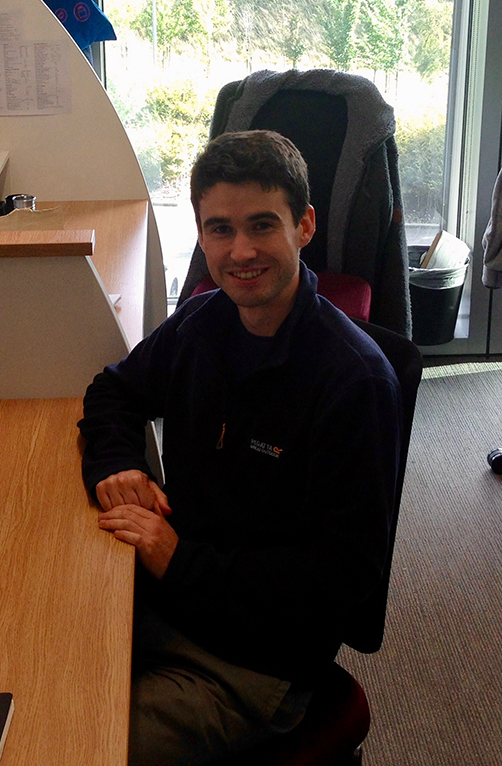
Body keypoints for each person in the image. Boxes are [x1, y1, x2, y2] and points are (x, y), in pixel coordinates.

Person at [78, 130, 403, 765]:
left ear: (304, 225)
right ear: (201, 236)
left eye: (262, 225)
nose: (241, 251)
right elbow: (113, 392)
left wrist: (178, 560)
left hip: (257, 664)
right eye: (220, 229)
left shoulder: (354, 383)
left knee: (76, 745)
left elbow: (341, 579)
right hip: (170, 601)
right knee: (30, 664)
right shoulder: (205, 322)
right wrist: (116, 464)